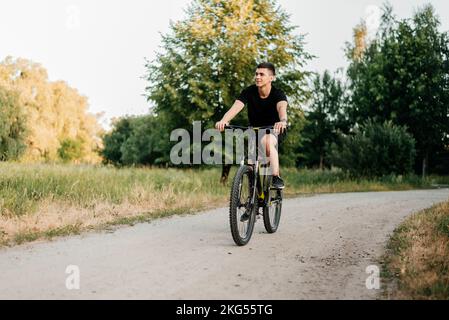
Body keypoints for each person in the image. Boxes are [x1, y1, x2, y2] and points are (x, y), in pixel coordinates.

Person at [215, 62, 288, 190]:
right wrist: (224, 120)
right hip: (254, 131)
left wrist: (282, 121)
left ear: (271, 78)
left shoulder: (278, 94)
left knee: (267, 141)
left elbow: (282, 108)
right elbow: (236, 106)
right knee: (250, 162)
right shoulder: (249, 91)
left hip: (274, 130)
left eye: (262, 74)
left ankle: (276, 177)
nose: (257, 77)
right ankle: (253, 199)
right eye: (256, 74)